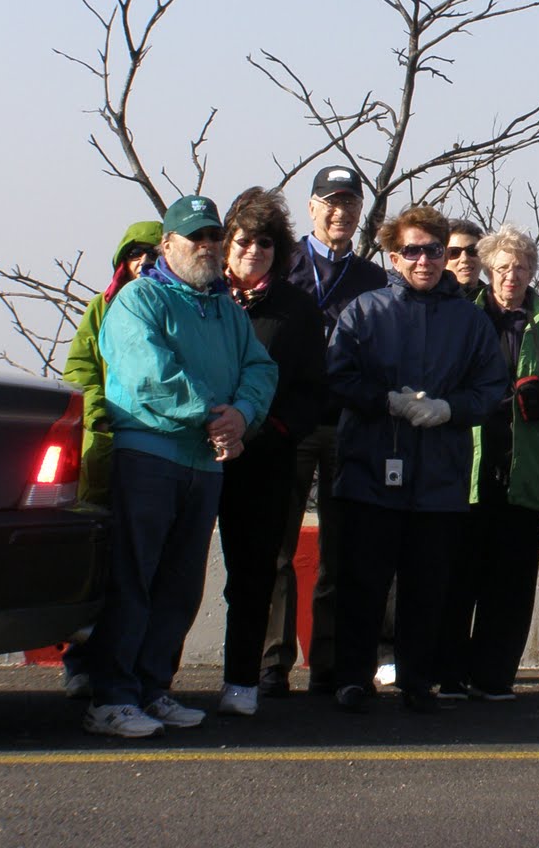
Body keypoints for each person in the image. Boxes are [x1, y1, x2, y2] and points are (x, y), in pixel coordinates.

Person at [84, 195, 278, 737]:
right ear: (167, 244)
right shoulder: (139, 299)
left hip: (205, 465)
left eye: (214, 236)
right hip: (150, 454)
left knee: (179, 585)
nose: (208, 246)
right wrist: (213, 417)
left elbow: (261, 368)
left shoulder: (226, 310)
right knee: (134, 577)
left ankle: (152, 688)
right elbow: (148, 373)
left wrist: (242, 414)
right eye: (196, 237)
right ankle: (111, 698)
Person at [325, 205, 509, 713]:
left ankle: (416, 680)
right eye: (413, 251)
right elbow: (337, 375)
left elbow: (491, 386)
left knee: (428, 587)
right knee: (363, 583)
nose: (424, 260)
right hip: (369, 470)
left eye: (433, 250)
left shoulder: (469, 321)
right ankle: (352, 678)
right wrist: (384, 401)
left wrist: (450, 409)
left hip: (439, 476)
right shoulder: (364, 312)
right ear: (393, 256)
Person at [437, 223, 539, 700]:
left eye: (520, 267)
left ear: (532, 272)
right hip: (468, 472)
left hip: (525, 473)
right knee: (458, 578)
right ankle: (449, 673)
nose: (510, 276)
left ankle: (493, 675)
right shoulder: (462, 321)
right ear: (487, 270)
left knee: (511, 584)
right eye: (501, 267)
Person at [264, 164, 387, 698]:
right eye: (330, 202)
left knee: (342, 552)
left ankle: (329, 665)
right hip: (287, 421)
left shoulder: (372, 279)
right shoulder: (281, 264)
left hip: (345, 423)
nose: (340, 212)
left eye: (350, 203)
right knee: (276, 548)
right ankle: (271, 662)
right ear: (311, 208)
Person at [214, 188, 327, 717]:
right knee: (176, 575)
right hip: (198, 455)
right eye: (244, 241)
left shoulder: (296, 309)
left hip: (264, 459)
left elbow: (311, 391)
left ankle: (244, 680)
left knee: (256, 575)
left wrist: (270, 431)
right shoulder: (203, 299)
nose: (253, 251)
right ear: (226, 244)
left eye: (265, 243)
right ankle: (154, 680)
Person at [58, 218, 161, 700]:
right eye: (135, 254)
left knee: (142, 571)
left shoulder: (177, 308)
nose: (143, 262)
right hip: (105, 453)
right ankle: (80, 665)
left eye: (153, 253)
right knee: (96, 571)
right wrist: (99, 416)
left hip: (156, 454)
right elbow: (80, 368)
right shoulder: (100, 308)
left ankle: (134, 670)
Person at [445, 218, 485, 301]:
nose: (465, 258)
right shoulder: (430, 302)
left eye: (472, 250)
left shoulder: (496, 303)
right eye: (454, 252)